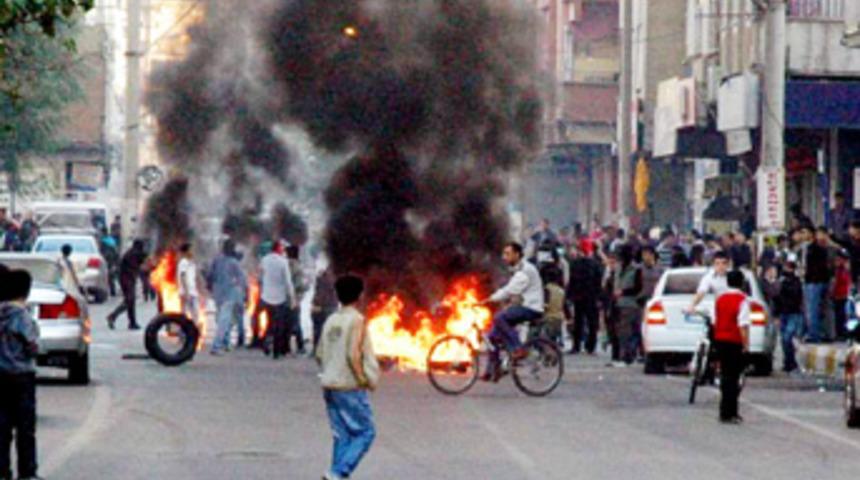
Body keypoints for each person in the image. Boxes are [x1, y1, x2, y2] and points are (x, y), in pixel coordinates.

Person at [316, 275, 379, 480]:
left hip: (329, 384)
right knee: (366, 432)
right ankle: (338, 472)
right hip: (348, 386)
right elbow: (353, 354)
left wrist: (330, 370)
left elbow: (319, 353)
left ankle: (334, 474)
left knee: (341, 434)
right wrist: (363, 379)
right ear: (360, 296)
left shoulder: (331, 320)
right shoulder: (357, 320)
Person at [481, 242, 544, 381]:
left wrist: (490, 299)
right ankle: (493, 370)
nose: (505, 257)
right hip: (523, 305)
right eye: (504, 254)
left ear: (517, 254)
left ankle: (518, 348)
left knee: (499, 318)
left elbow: (510, 290)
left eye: (508, 254)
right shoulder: (518, 269)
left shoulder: (525, 270)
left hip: (531, 308)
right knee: (492, 337)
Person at [0, 269, 41, 480]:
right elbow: (32, 346)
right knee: (25, 428)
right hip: (22, 377)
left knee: (2, 427)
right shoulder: (22, 316)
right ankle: (27, 472)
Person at [713, 270, 751, 424]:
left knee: (725, 376)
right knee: (734, 378)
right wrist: (746, 344)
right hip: (734, 342)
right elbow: (743, 325)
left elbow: (716, 320)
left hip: (720, 340)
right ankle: (731, 411)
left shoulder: (720, 299)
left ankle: (724, 411)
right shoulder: (743, 300)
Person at [208, 240, 247, 355]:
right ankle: (216, 346)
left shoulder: (216, 260)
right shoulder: (233, 262)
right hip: (229, 294)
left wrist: (210, 288)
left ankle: (225, 343)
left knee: (221, 318)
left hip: (217, 294)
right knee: (224, 321)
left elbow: (210, 275)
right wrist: (243, 294)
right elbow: (242, 279)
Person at [260, 240, 296, 359]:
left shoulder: (264, 260)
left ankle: (266, 340)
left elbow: (261, 274)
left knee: (269, 322)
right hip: (280, 297)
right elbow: (287, 281)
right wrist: (292, 297)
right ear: (279, 249)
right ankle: (276, 351)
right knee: (279, 325)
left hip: (266, 295)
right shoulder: (283, 262)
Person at [566, 243, 601, 354]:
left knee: (578, 322)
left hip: (579, 297)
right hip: (591, 297)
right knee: (591, 322)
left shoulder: (575, 264)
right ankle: (591, 346)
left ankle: (576, 346)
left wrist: (569, 295)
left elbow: (571, 281)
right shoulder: (595, 264)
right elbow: (598, 282)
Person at [107, 240, 147, 330]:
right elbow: (136, 266)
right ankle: (113, 316)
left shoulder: (133, 253)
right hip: (126, 279)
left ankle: (131, 322)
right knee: (130, 300)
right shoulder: (132, 254)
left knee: (130, 301)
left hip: (128, 279)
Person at [804, 227, 834, 343]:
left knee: (815, 309)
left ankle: (816, 335)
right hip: (818, 280)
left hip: (816, 282)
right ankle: (819, 333)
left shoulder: (818, 248)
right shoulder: (814, 247)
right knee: (817, 309)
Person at [614, 245, 643, 365]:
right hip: (618, 303)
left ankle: (628, 355)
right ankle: (625, 354)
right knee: (622, 332)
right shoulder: (619, 268)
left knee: (630, 332)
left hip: (631, 303)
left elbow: (638, 288)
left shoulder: (636, 269)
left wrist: (623, 292)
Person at [775, 261, 804, 373]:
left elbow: (797, 295)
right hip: (783, 312)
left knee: (787, 337)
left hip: (793, 313)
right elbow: (777, 298)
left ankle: (791, 362)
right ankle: (788, 362)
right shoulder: (781, 281)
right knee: (783, 339)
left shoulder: (796, 282)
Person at [311, 266, 339, 355]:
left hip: (322, 306)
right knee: (331, 328)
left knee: (318, 329)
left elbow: (319, 292)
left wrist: (315, 303)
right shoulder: (335, 277)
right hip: (331, 306)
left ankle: (317, 349)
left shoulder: (322, 277)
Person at [286, 245, 308, 355]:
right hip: (296, 298)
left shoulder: (290, 266)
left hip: (289, 298)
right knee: (295, 321)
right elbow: (304, 284)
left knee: (291, 322)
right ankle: (299, 346)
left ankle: (294, 346)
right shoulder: (299, 266)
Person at [539, 265, 569, 346]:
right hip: (559, 318)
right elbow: (565, 306)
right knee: (553, 339)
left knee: (545, 339)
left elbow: (545, 305)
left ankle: (549, 355)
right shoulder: (561, 291)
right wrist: (569, 318)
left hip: (548, 318)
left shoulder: (547, 289)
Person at [178, 243, 200, 324]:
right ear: (186, 251)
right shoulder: (183, 262)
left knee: (195, 313)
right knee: (185, 314)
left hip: (192, 292)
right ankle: (184, 333)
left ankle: (192, 331)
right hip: (186, 292)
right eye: (191, 250)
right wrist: (186, 291)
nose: (193, 251)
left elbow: (194, 277)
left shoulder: (191, 262)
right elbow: (182, 276)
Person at [832, 251, 852, 341]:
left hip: (843, 295)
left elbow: (845, 282)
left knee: (843, 315)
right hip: (837, 295)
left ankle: (843, 333)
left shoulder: (845, 270)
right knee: (838, 316)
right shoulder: (837, 270)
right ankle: (839, 333)